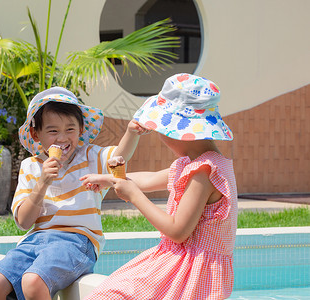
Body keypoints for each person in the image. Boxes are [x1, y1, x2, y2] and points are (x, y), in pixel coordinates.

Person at [0, 87, 148, 300]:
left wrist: (131, 132)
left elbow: (119, 157)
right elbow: (23, 222)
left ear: (80, 129)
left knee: (33, 281)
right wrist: (42, 183)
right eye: (52, 131)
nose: (62, 138)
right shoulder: (30, 166)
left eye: (70, 129)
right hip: (35, 240)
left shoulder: (90, 157)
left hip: (78, 240)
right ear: (35, 134)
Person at [81, 73, 237, 299]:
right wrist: (111, 179)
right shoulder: (198, 163)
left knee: (111, 295)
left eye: (162, 128)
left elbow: (177, 231)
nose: (160, 134)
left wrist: (134, 196)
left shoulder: (204, 171)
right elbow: (149, 179)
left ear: (182, 130)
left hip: (191, 271)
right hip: (182, 261)